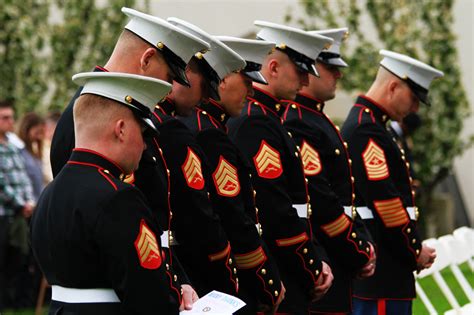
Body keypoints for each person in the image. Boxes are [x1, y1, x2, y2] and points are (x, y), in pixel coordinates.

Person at [30, 72, 192, 314]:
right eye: (143, 132)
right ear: (122, 129)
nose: (145, 145)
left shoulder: (49, 193)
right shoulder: (119, 197)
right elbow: (149, 295)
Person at [226, 21, 334, 314]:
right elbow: (274, 209)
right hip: (280, 268)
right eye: (300, 72)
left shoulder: (269, 118)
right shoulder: (256, 122)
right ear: (273, 68)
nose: (305, 81)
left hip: (288, 266)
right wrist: (309, 267)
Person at [134, 17, 246, 298]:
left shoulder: (163, 122)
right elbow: (197, 216)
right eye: (203, 86)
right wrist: (228, 278)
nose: (206, 98)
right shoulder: (170, 128)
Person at [179, 35, 286, 313]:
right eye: (247, 82)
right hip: (215, 280)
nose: (251, 92)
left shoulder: (200, 124)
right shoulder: (210, 133)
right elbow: (232, 216)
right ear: (223, 80)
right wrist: (268, 281)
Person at [50, 7, 210, 178]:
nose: (169, 89)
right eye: (169, 77)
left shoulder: (112, 108)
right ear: (146, 59)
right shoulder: (90, 116)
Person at [341, 50, 443, 315]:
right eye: (413, 98)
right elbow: (385, 202)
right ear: (394, 86)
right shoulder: (366, 129)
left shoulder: (375, 125)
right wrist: (413, 250)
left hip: (389, 265)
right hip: (383, 268)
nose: (415, 109)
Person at [282, 27, 376, 315]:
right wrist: (356, 249)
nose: (339, 75)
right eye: (330, 67)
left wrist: (363, 242)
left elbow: (347, 197)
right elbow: (320, 199)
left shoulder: (317, 119)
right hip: (324, 257)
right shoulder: (298, 121)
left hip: (339, 257)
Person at [0, 100, 35, 311]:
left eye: (12, 117)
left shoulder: (13, 147)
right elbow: (2, 184)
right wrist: (21, 204)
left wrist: (29, 202)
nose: (11, 122)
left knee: (18, 259)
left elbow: (24, 179)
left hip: (19, 214)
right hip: (4, 213)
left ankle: (13, 303)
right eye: (5, 118)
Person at [18, 112, 46, 200]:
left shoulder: (34, 152)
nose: (39, 137)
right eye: (37, 132)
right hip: (26, 201)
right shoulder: (19, 151)